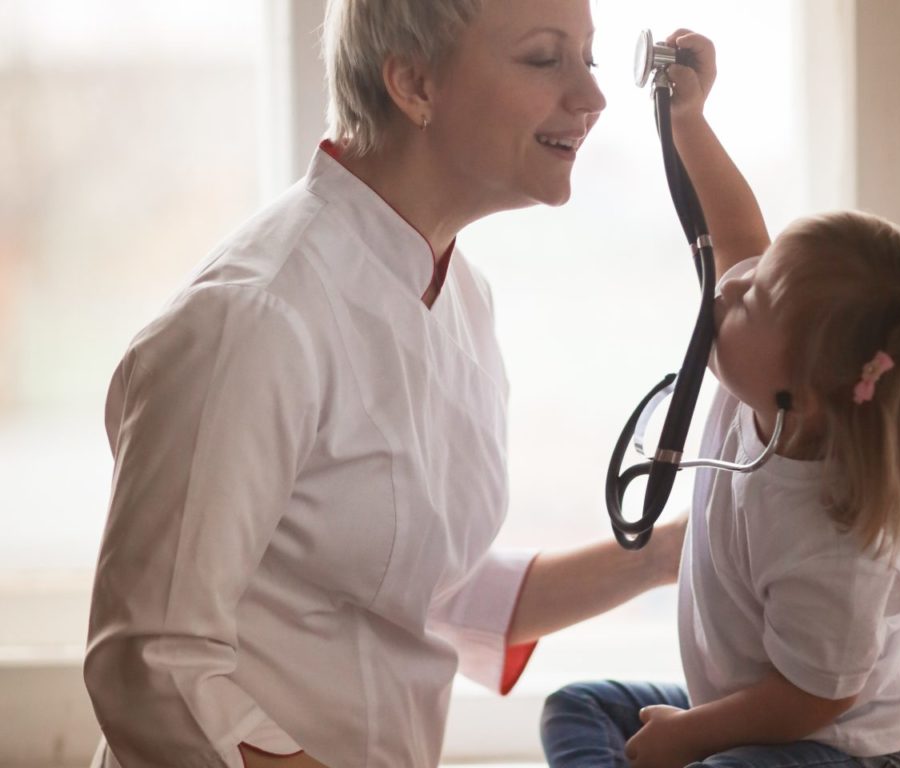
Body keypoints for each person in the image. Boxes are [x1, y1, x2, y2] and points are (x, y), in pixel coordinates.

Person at [83, 1, 687, 767]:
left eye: (590, 59)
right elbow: (151, 665)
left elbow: (427, 585)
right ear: (413, 83)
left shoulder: (461, 297)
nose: (592, 98)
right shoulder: (257, 318)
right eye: (544, 59)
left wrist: (671, 554)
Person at [540, 29, 900, 768]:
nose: (730, 282)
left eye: (752, 297)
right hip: (746, 701)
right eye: (758, 271)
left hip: (836, 746)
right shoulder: (775, 384)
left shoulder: (833, 535)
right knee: (576, 707)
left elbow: (818, 696)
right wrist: (690, 120)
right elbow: (739, 233)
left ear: (806, 396)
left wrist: (694, 735)